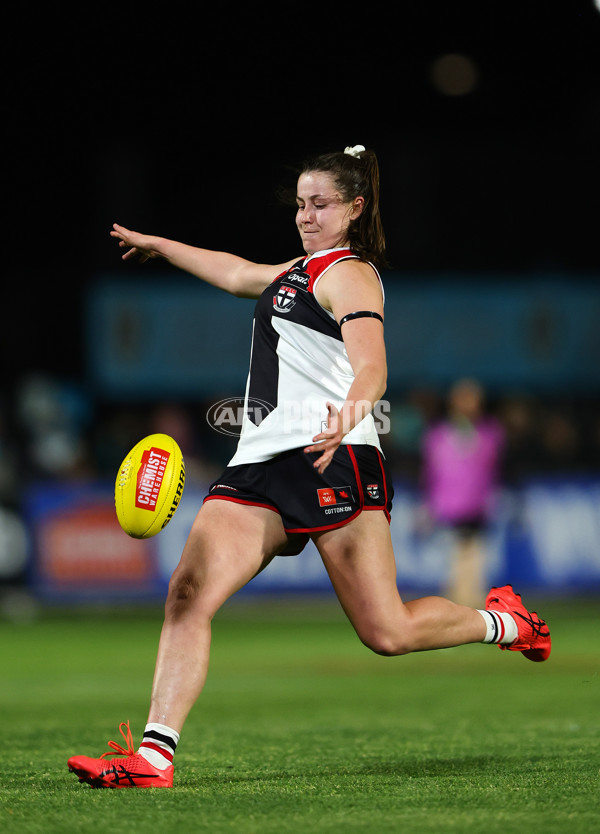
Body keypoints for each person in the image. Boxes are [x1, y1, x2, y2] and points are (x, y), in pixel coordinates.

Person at [68, 145, 551, 789]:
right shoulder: (298, 269)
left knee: (387, 630)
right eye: (299, 203)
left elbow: (373, 364)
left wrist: (349, 414)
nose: (305, 214)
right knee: (187, 592)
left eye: (319, 204)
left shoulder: (351, 275)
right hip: (259, 465)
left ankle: (505, 622)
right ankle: (154, 758)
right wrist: (164, 245)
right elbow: (237, 271)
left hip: (337, 457)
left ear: (353, 209)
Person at [421, 378, 506, 607]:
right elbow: (430, 473)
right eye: (462, 398)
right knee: (453, 564)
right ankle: (457, 609)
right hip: (447, 507)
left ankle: (473, 612)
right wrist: (428, 506)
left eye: (472, 399)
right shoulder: (438, 435)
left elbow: (492, 468)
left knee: (475, 562)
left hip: (478, 506)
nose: (467, 404)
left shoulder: (490, 433)